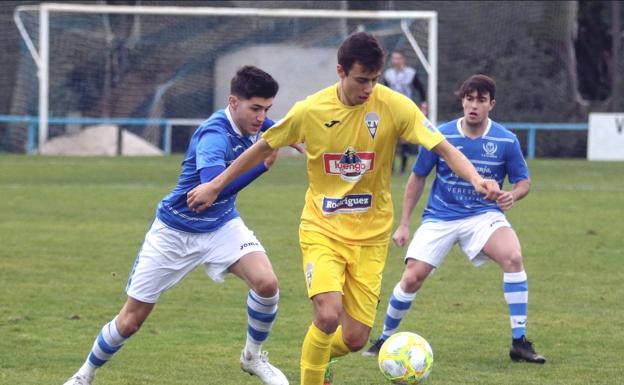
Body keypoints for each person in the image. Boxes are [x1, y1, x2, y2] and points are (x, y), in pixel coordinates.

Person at [186, 33, 501, 385]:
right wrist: (215, 184)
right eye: (361, 80)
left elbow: (443, 147)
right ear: (341, 71)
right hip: (323, 230)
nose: (369, 88)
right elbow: (261, 148)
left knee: (355, 338)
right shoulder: (311, 110)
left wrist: (475, 179)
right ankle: (313, 375)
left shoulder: (395, 107)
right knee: (327, 314)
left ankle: (317, 357)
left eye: (375, 80)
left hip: (371, 238)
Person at [62, 66, 289, 385]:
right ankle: (84, 375)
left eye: (266, 109)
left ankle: (253, 356)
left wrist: (279, 130)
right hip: (174, 232)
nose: (260, 117)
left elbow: (262, 125)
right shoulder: (213, 136)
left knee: (267, 283)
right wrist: (262, 164)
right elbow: (210, 191)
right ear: (233, 102)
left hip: (221, 226)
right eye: (256, 109)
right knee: (131, 320)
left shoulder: (249, 117)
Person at [362, 74, 546, 364]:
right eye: (469, 99)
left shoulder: (505, 140)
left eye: (480, 100)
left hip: (483, 216)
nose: (473, 105)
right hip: (440, 217)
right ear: (462, 100)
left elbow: (524, 181)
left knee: (513, 257)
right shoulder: (440, 135)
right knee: (411, 278)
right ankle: (384, 338)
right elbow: (417, 177)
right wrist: (405, 223)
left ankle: (519, 343)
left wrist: (513, 194)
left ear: (491, 104)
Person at [383, 50, 428, 175]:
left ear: (403, 59)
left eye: (398, 58)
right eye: (394, 58)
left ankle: (402, 169)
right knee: (389, 138)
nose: (395, 61)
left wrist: (423, 104)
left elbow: (420, 89)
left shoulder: (411, 73)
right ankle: (390, 169)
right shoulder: (388, 74)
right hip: (391, 110)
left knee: (404, 140)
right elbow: (383, 90)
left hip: (406, 109)